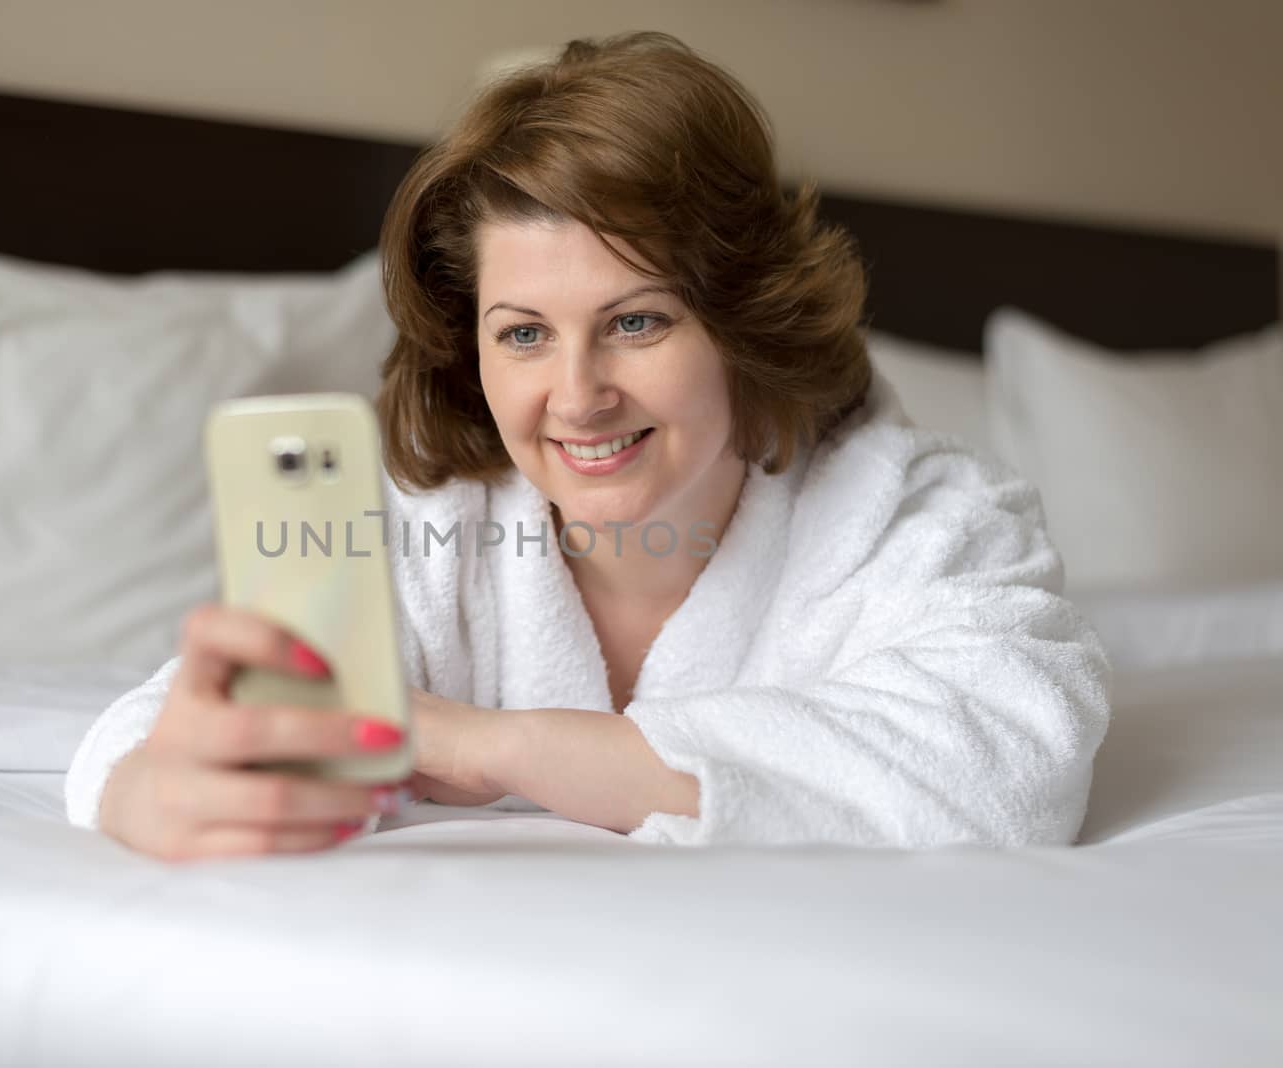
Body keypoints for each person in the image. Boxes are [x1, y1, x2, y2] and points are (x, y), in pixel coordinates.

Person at [64, 30, 1111, 860]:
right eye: (522, 333)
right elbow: (169, 725)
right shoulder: (432, 525)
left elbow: (1005, 760)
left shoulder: (913, 513)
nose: (577, 396)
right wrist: (144, 789)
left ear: (739, 322)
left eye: (638, 321)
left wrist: (491, 747)